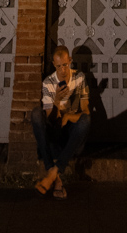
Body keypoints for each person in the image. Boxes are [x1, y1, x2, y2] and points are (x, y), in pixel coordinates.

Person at [31, 45, 91, 199]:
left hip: (73, 135)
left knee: (86, 120)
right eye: (59, 66)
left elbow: (85, 112)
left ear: (70, 61)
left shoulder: (79, 78)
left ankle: (51, 174)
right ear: (53, 64)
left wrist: (68, 117)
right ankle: (55, 174)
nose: (63, 70)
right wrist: (57, 100)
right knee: (37, 113)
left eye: (65, 65)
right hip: (55, 134)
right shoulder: (49, 83)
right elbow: (51, 120)